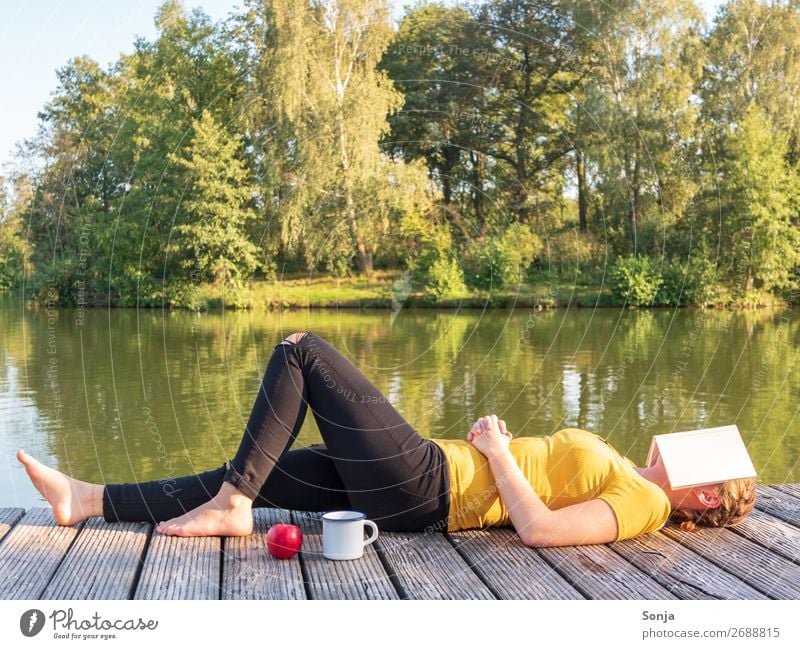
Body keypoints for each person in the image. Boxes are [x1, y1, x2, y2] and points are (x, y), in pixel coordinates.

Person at [16, 331, 756, 547]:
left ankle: (233, 504)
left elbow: (544, 530)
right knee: (253, 467)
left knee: (300, 351)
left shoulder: (646, 502)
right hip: (420, 479)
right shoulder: (632, 470)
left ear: (709, 491)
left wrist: (498, 451)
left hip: (429, 486)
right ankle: (86, 499)